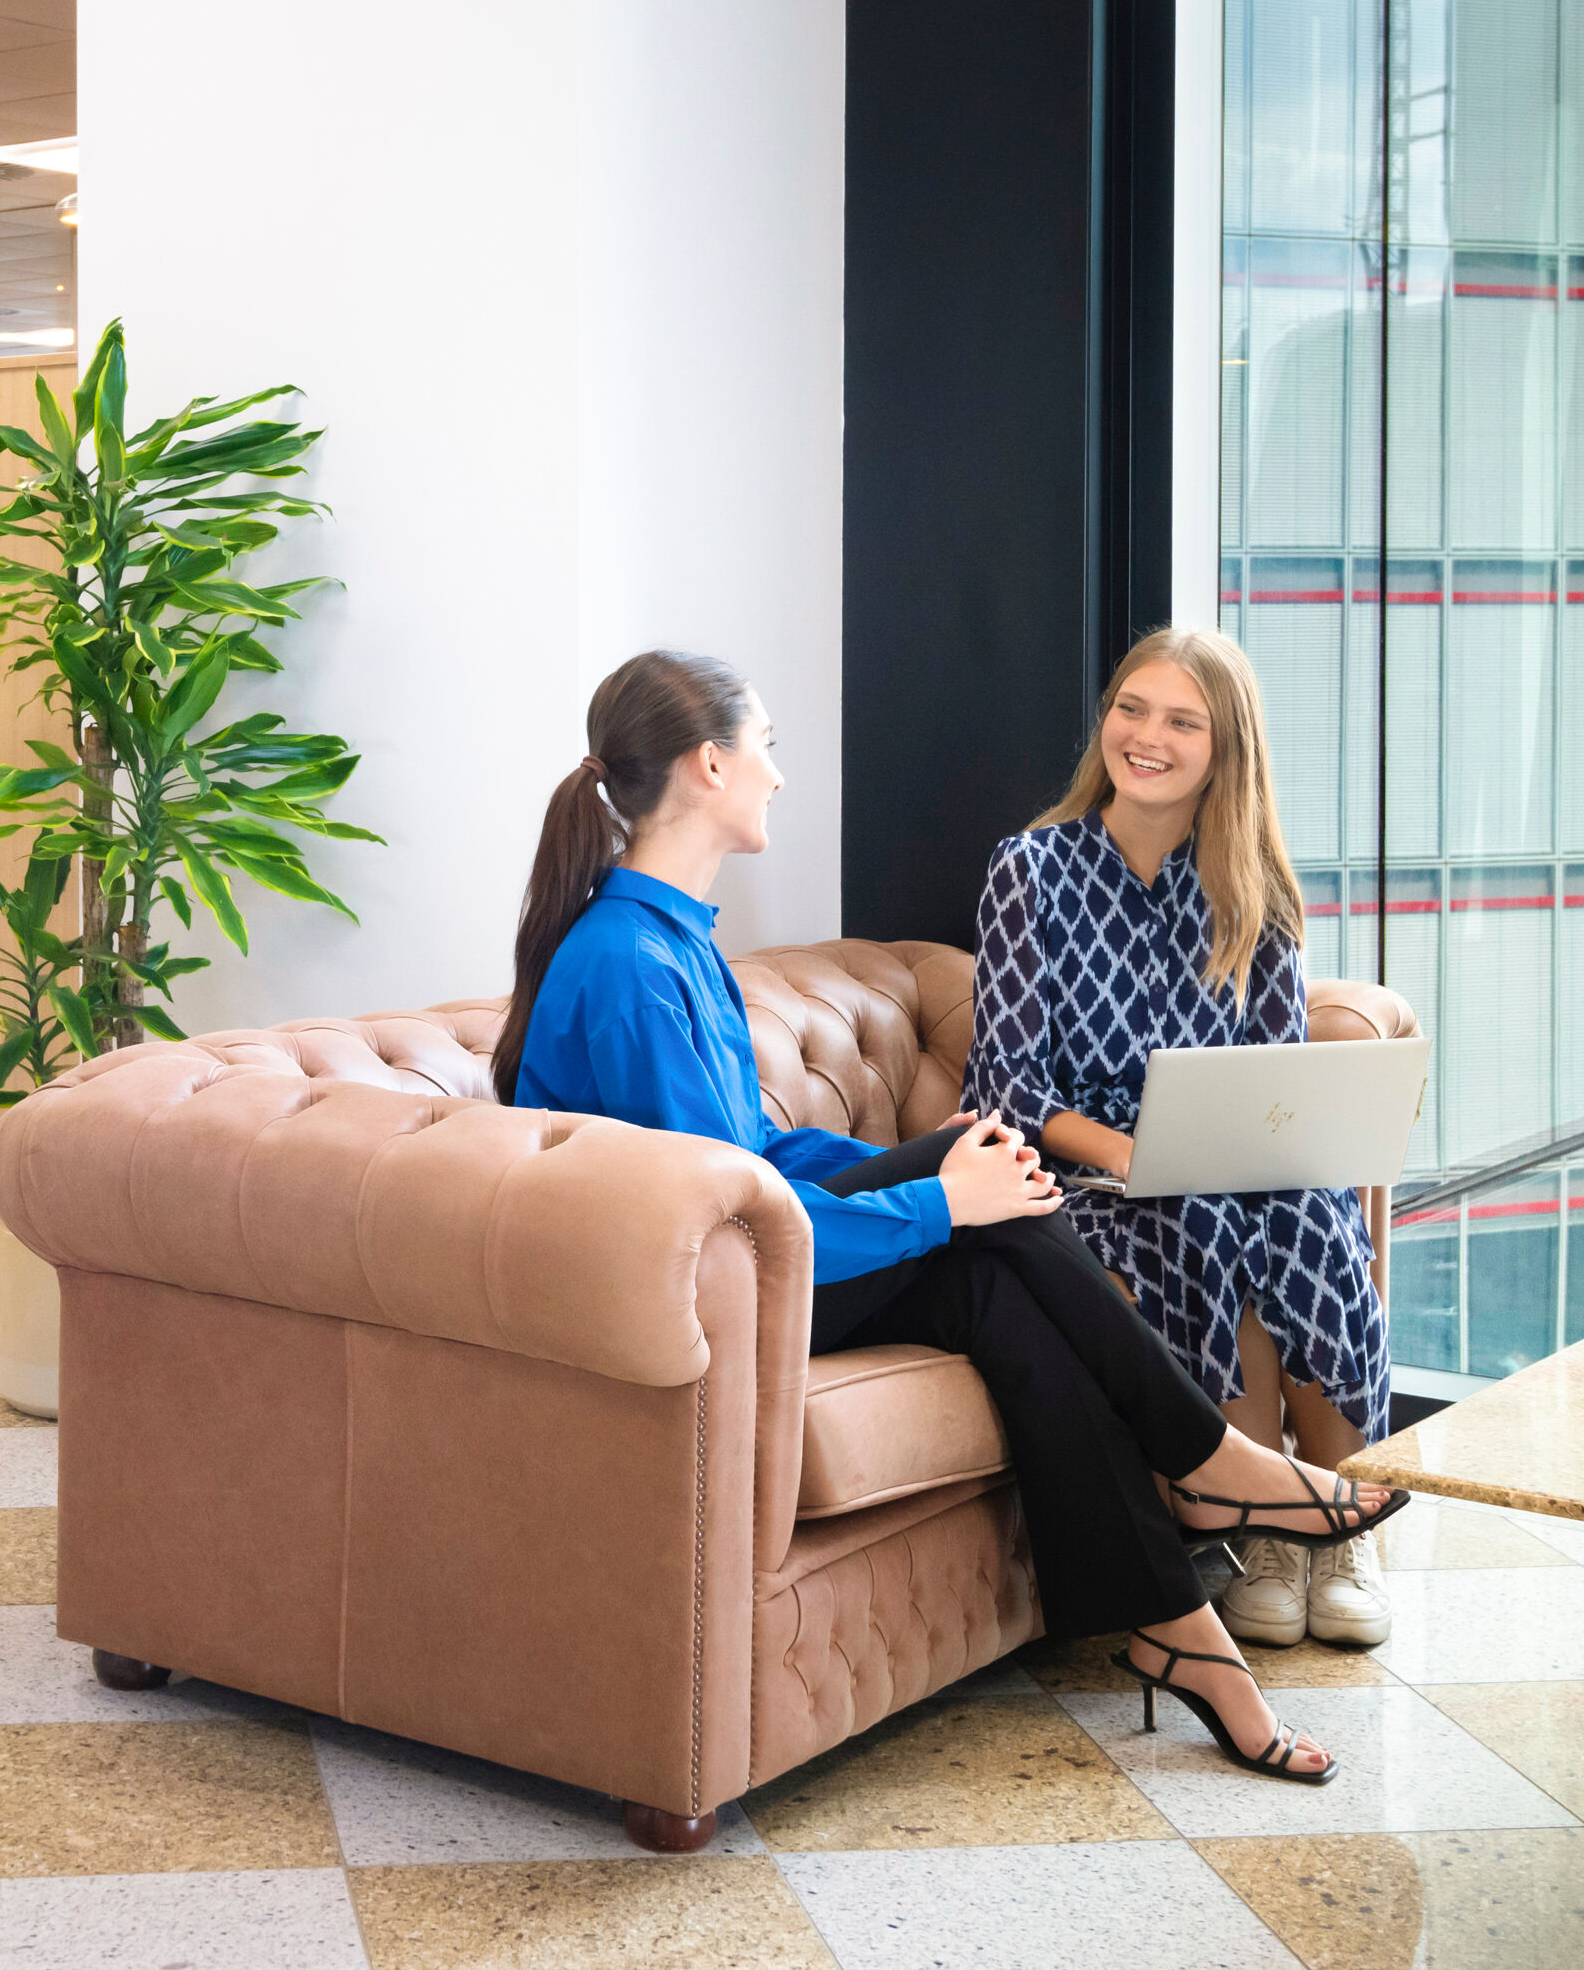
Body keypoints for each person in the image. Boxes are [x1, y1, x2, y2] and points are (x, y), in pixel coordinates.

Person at [499, 649, 1400, 1783]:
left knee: (994, 1237)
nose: (778, 774)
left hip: (752, 1253)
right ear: (710, 763)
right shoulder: (632, 965)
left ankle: (1182, 1627)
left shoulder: (675, 936)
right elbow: (724, 1232)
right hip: (705, 1302)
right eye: (766, 747)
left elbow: (758, 1157)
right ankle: (1210, 1468)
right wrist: (933, 1198)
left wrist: (922, 1170)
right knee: (989, 1213)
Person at [971, 627, 1403, 1651]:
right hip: (1088, 1173)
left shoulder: (1259, 894)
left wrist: (1247, 1150)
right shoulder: (1028, 871)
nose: (1145, 736)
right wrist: (1135, 1154)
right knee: (1199, 1213)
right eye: (1131, 708)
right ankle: (1266, 1528)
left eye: (1180, 720)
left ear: (1225, 747)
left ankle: (1333, 1527)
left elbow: (1279, 1086)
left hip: (1231, 1161)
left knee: (1310, 1212)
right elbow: (1006, 1087)